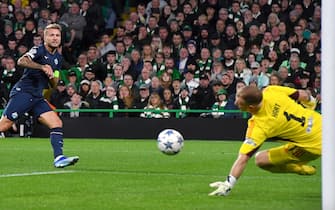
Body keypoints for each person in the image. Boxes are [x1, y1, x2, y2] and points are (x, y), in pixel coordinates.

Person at [209, 85, 321, 196]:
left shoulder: (259, 126)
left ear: (251, 107)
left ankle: (301, 169)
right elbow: (304, 95)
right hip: (323, 123)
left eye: (239, 103)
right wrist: (312, 105)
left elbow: (243, 158)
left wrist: (229, 184)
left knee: (261, 161)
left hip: (312, 147)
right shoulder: (271, 90)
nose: (235, 104)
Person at [0, 24, 79, 168]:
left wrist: (53, 78)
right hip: (24, 93)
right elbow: (21, 61)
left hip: (37, 97)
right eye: (51, 35)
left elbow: (52, 85)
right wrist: (42, 67)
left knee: (56, 123)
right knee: (4, 125)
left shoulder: (58, 58)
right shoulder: (38, 50)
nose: (55, 38)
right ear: (45, 37)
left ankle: (59, 158)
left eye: (57, 36)